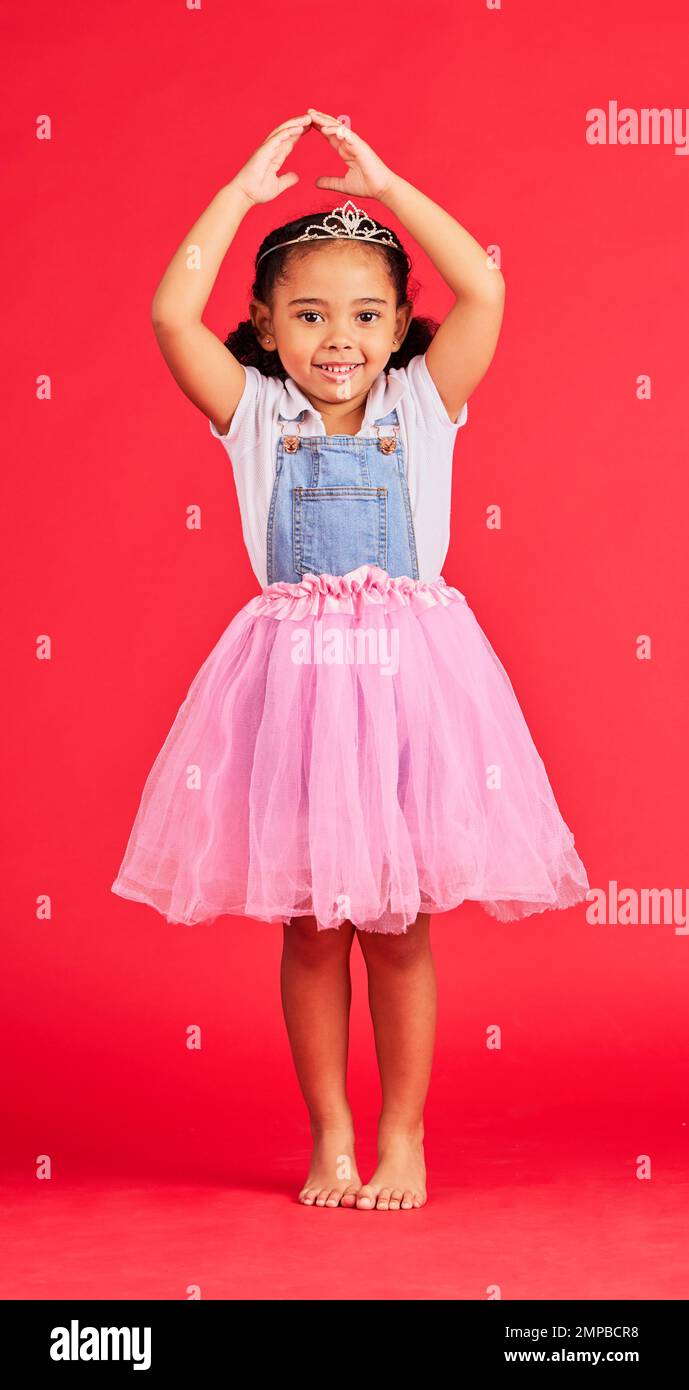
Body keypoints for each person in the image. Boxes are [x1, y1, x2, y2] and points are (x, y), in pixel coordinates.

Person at [112, 108, 590, 1211]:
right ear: (267, 326)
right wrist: (241, 191)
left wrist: (387, 185)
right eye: (311, 313)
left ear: (398, 328)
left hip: (411, 690)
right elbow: (166, 310)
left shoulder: (424, 406)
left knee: (398, 923)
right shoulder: (255, 415)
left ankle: (402, 1135)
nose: (340, 335)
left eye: (367, 314)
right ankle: (328, 1134)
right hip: (300, 695)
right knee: (312, 925)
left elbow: (487, 289)